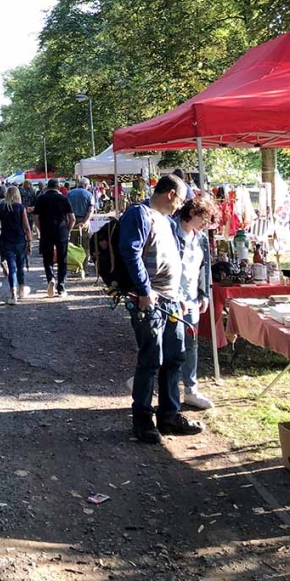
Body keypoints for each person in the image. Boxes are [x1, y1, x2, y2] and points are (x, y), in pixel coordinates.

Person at [119, 174, 203, 444]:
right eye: (179, 199)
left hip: (170, 301)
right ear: (170, 194)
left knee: (174, 357)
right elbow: (130, 252)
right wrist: (144, 290)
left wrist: (177, 294)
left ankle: (169, 415)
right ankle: (142, 420)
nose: (180, 206)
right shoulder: (139, 214)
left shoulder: (166, 221)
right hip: (150, 302)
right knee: (151, 359)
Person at [174, 195, 217, 410]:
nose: (205, 224)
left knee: (191, 344)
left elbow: (204, 268)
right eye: (204, 218)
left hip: (192, 299)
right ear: (191, 213)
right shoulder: (171, 232)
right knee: (168, 345)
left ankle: (191, 389)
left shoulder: (200, 238)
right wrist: (173, 295)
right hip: (171, 299)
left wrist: (204, 293)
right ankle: (147, 380)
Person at [34, 179, 75, 297]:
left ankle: (50, 279)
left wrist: (40, 228)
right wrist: (68, 230)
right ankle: (61, 287)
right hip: (61, 230)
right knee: (62, 259)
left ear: (47, 187)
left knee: (47, 258)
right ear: (58, 187)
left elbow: (36, 217)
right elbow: (72, 218)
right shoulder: (64, 198)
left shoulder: (41, 198)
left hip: (46, 230)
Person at [0, 186, 32, 305]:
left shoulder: (0, 207)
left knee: (12, 267)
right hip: (20, 240)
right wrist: (29, 241)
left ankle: (13, 294)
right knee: (20, 266)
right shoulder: (21, 208)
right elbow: (26, 227)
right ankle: (21, 290)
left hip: (6, 240)